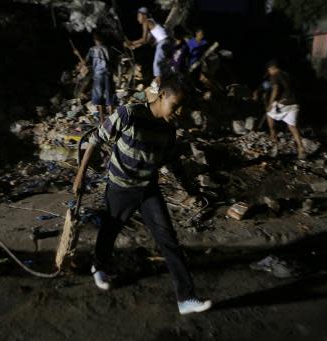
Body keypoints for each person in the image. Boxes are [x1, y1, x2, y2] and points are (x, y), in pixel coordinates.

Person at [72, 73, 212, 315]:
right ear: (161, 96)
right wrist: (80, 175)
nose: (178, 113)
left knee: (168, 240)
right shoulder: (129, 114)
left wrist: (190, 189)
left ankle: (186, 298)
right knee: (110, 230)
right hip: (119, 187)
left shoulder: (169, 131)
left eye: (182, 109)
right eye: (175, 106)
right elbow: (95, 139)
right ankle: (99, 266)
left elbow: (173, 164)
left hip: (148, 189)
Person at [265, 60, 306, 159]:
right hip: (295, 103)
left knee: (269, 116)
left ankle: (274, 148)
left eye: (269, 70)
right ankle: (301, 149)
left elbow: (275, 88)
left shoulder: (275, 75)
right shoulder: (288, 75)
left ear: (272, 68)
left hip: (284, 103)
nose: (269, 72)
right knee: (292, 127)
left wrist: (270, 103)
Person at [125, 7, 169, 91]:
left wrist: (131, 43)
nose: (138, 18)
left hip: (163, 42)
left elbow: (143, 39)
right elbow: (147, 41)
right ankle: (162, 82)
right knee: (161, 63)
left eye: (139, 16)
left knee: (157, 63)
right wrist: (134, 46)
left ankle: (157, 85)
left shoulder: (146, 22)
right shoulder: (152, 22)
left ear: (144, 15)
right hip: (166, 41)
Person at [84, 30, 116, 124]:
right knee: (110, 95)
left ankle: (102, 120)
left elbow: (86, 62)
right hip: (108, 74)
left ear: (95, 40)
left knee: (99, 97)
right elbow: (114, 60)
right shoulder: (109, 48)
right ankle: (112, 119)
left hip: (98, 75)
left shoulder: (92, 49)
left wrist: (77, 54)